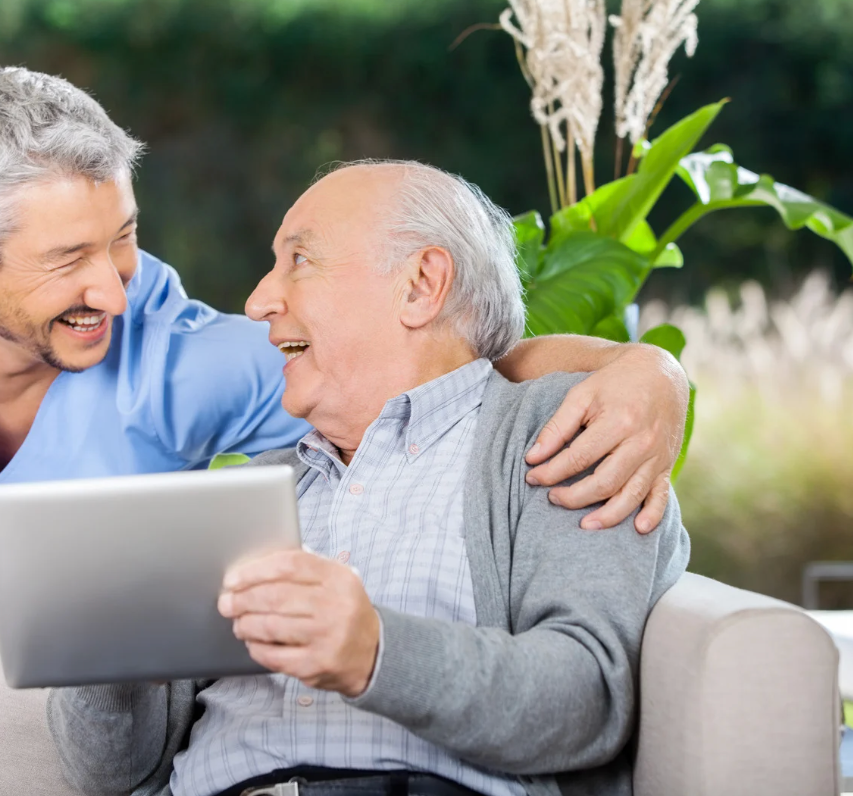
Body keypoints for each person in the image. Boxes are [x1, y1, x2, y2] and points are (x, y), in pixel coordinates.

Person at [0, 68, 687, 641]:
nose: (116, 287)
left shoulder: (177, 353)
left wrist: (646, 372)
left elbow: (461, 366)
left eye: (125, 236)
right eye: (70, 259)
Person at [49, 161, 690, 796]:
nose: (257, 302)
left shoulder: (558, 434)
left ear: (420, 286)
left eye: (298, 261)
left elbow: (586, 703)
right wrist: (107, 645)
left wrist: (375, 652)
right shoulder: (245, 496)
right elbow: (114, 775)